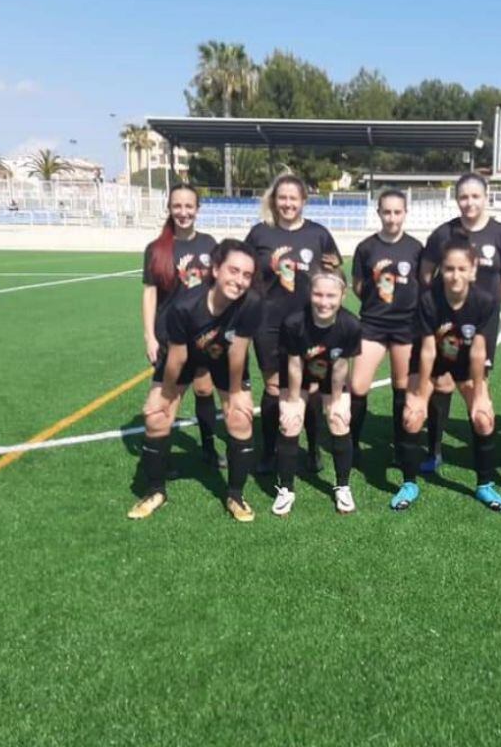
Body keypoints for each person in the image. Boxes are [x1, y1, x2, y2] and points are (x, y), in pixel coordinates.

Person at [128, 239, 263, 522]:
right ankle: (155, 491)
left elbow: (238, 351)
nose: (239, 281)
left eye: (247, 275)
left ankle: (235, 495)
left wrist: (237, 392)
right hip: (185, 357)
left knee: (240, 418)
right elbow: (177, 358)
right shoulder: (185, 306)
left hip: (225, 359)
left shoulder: (251, 303)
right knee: (157, 417)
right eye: (233, 271)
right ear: (215, 269)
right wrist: (164, 394)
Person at [395, 237, 501, 512]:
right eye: (449, 269)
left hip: (466, 364)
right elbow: (428, 351)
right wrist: (420, 395)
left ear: (473, 270)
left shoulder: (485, 301)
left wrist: (479, 394)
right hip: (431, 362)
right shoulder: (429, 299)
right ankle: (409, 483)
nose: (455, 275)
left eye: (461, 269)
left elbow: (479, 352)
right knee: (411, 417)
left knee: (483, 418)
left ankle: (485, 485)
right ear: (441, 270)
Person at [418, 173, 501, 473]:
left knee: (476, 384)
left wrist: (482, 308)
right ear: (457, 198)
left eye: (475, 196)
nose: (469, 202)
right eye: (464, 196)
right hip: (445, 322)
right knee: (441, 382)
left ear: (486, 196)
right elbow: (425, 275)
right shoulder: (442, 235)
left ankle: (482, 454)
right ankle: (434, 450)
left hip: (480, 325)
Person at [245, 174, 342, 474]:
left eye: (293, 198)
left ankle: (312, 449)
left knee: (310, 388)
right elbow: (245, 275)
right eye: (282, 198)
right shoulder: (259, 234)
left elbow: (336, 275)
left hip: (308, 325)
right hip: (267, 322)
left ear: (303, 201)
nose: (287, 204)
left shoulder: (319, 234)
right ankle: (269, 450)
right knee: (274, 387)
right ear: (274, 200)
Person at [139, 183, 224, 468]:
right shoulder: (156, 249)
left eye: (189, 206)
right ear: (169, 208)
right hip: (169, 337)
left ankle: (209, 449)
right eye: (177, 206)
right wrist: (149, 336)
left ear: (197, 209)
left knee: (203, 390)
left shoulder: (209, 244)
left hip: (202, 335)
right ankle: (158, 456)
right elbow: (150, 294)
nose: (183, 212)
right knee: (165, 398)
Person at [273, 265, 362, 516]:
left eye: (331, 296)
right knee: (290, 422)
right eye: (318, 295)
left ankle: (343, 487)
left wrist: (335, 402)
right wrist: (292, 401)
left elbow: (341, 367)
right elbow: (293, 364)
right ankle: (286, 489)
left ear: (343, 296)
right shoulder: (293, 323)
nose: (324, 302)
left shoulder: (351, 325)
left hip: (331, 376)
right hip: (297, 375)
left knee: (338, 420)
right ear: (310, 293)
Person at [349, 190, 422, 465]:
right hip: (372, 324)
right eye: (387, 212)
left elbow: (422, 284)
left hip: (406, 326)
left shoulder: (415, 248)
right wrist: (378, 305)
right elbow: (358, 286)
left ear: (405, 213)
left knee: (402, 387)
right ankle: (352, 444)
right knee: (358, 387)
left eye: (397, 212)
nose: (392, 218)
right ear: (378, 212)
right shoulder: (366, 248)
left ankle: (401, 448)